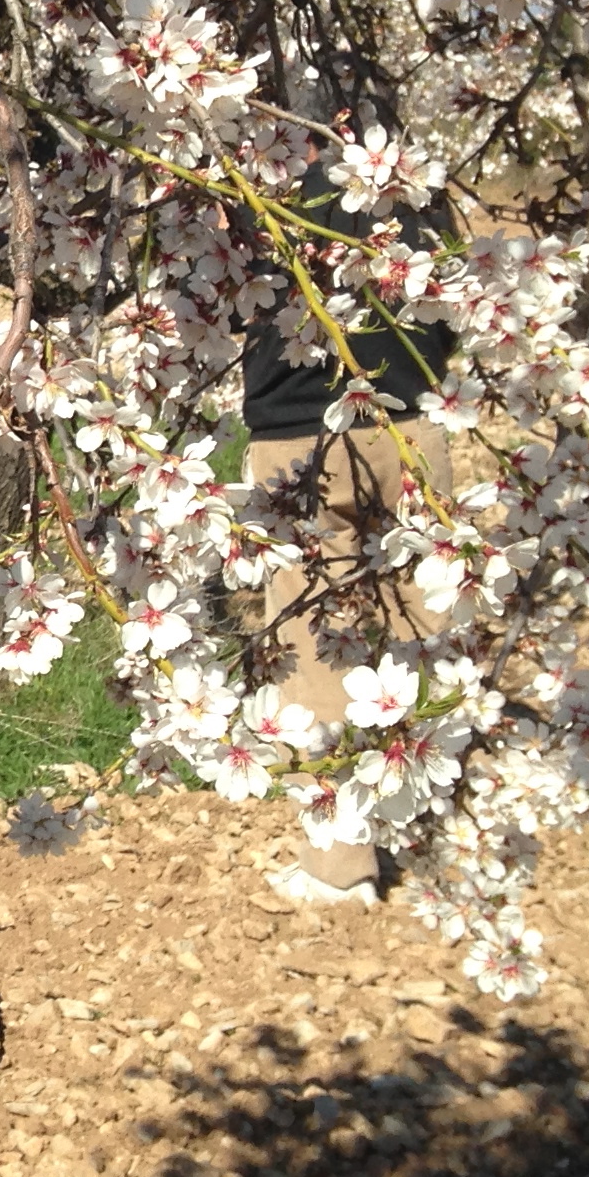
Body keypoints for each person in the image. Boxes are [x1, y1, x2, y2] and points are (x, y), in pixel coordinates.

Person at [239, 160, 453, 905]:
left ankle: (339, 865)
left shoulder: (271, 184)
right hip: (416, 428)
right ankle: (421, 810)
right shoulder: (427, 191)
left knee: (316, 642)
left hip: (307, 439)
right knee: (414, 618)